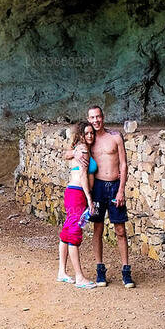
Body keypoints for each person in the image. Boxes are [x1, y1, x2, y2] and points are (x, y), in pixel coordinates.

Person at [66, 105, 133, 288]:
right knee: (98, 229)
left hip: (114, 187)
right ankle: (100, 270)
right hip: (98, 188)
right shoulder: (89, 140)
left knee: (120, 229)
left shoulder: (115, 137)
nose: (95, 120)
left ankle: (126, 271)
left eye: (98, 117)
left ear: (103, 117)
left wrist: (121, 190)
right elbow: (67, 153)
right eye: (92, 118)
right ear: (89, 119)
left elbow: (124, 165)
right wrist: (73, 152)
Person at [58, 121, 98, 288]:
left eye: (92, 133)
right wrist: (89, 198)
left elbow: (66, 155)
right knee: (74, 232)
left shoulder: (80, 148)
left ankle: (62, 272)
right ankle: (80, 277)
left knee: (68, 230)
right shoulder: (83, 150)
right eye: (87, 133)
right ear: (81, 134)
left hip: (72, 192)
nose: (90, 136)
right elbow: (82, 174)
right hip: (78, 193)